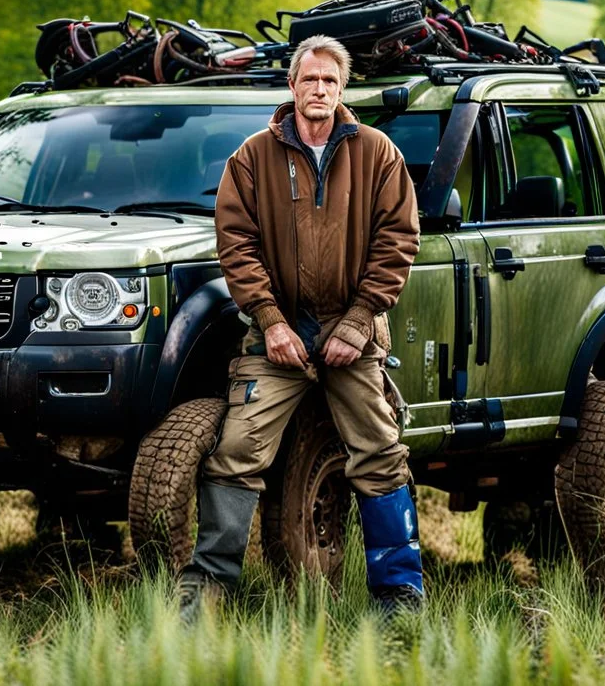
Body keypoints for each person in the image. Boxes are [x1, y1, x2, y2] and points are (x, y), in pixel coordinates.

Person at [178, 34, 422, 618]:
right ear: (292, 86)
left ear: (343, 89)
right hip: (277, 333)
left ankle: (399, 593)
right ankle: (209, 587)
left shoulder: (378, 153)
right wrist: (270, 322)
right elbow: (236, 245)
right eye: (309, 79)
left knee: (380, 452)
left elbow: (398, 241)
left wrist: (359, 321)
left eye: (330, 81)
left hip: (351, 332)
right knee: (236, 449)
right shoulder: (252, 157)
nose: (319, 89)